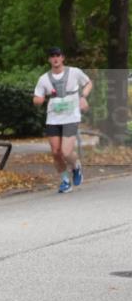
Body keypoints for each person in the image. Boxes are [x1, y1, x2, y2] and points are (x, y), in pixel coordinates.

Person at [32, 47, 93, 193]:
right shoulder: (44, 79)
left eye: (58, 55)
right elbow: (36, 97)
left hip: (71, 116)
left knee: (66, 152)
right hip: (53, 118)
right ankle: (65, 180)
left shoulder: (74, 72)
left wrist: (83, 97)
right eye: (52, 56)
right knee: (55, 152)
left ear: (63, 57)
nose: (55, 58)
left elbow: (89, 83)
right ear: (49, 59)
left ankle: (76, 166)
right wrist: (39, 100)